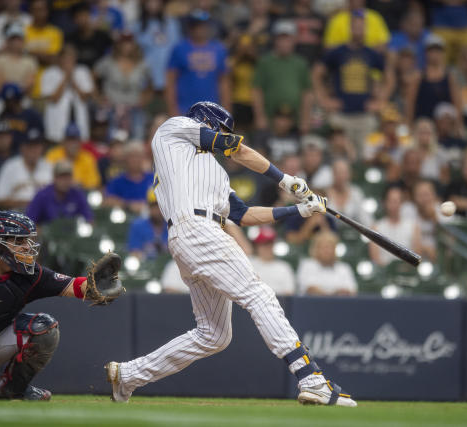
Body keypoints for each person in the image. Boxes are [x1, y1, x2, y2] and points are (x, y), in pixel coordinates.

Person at [104, 101, 357, 407]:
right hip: (195, 227)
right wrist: (286, 180)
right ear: (206, 121)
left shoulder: (214, 172)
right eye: (221, 129)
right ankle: (311, 378)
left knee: (214, 335)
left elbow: (244, 214)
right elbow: (235, 148)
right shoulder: (173, 129)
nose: (225, 136)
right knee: (258, 294)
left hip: (195, 234)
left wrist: (298, 209)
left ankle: (129, 375)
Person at [0, 210, 121, 400]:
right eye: (19, 241)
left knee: (46, 328)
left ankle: (12, 388)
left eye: (28, 241)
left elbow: (72, 285)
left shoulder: (32, 274)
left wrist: (94, 285)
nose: (27, 247)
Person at [313, 10, 389, 149]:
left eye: (361, 26)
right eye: (355, 26)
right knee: (339, 154)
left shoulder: (372, 54)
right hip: (341, 115)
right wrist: (324, 99)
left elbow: (389, 77)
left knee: (367, 156)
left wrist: (381, 100)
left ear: (366, 29)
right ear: (350, 28)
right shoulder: (337, 52)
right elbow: (316, 74)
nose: (358, 30)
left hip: (365, 116)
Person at [165, 9, 230, 117]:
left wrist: (226, 111)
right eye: (196, 25)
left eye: (203, 25)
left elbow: (224, 82)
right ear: (190, 27)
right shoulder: (179, 49)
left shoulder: (219, 49)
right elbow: (170, 81)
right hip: (185, 111)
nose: (200, 28)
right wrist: (173, 110)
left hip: (212, 112)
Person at [252, 20, 312, 134]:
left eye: (288, 38)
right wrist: (260, 117)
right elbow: (256, 91)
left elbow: (307, 93)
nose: (285, 42)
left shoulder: (300, 63)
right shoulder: (265, 62)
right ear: (275, 40)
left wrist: (305, 119)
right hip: (270, 120)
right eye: (281, 38)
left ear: (294, 40)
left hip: (295, 121)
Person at [94, 32, 150, 140]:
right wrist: (98, 97)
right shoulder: (108, 62)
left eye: (129, 42)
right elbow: (93, 77)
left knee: (136, 141)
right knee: (112, 142)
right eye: (123, 42)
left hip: (134, 109)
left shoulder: (141, 64)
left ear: (134, 45)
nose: (126, 46)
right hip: (112, 108)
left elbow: (151, 83)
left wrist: (145, 99)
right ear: (118, 45)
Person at [40, 44, 94, 142]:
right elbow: (53, 99)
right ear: (60, 59)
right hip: (57, 123)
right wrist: (65, 77)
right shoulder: (49, 73)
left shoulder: (83, 71)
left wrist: (72, 78)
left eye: (71, 58)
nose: (69, 61)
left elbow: (85, 97)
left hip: (78, 120)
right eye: (66, 58)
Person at [0, 127, 53, 211]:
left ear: (42, 148)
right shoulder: (10, 166)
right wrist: (30, 203)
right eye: (30, 146)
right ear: (22, 148)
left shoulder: (49, 166)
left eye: (36, 146)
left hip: (44, 217)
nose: (33, 150)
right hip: (16, 215)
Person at [407, 34, 461, 124]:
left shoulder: (450, 76)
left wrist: (458, 123)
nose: (435, 54)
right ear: (426, 53)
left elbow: (457, 102)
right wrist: (409, 123)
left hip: (445, 126)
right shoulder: (418, 76)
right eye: (432, 51)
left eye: (438, 51)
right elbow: (410, 103)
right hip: (424, 125)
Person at [132, 0, 182, 92]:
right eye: (149, 2)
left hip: (168, 75)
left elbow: (177, 49)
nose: (153, 5)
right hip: (147, 77)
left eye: (156, 2)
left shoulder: (171, 23)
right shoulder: (137, 25)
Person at [25, 161, 93, 226]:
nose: (65, 181)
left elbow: (89, 219)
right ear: (54, 178)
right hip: (47, 236)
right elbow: (29, 223)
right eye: (61, 177)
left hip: (72, 234)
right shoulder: (42, 196)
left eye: (68, 177)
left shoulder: (77, 194)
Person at [369, 185, 422, 266]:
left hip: (407, 272)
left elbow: (416, 257)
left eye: (397, 201)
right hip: (384, 272)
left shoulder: (413, 227)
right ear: (385, 202)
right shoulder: (376, 227)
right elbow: (375, 258)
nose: (394, 205)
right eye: (391, 201)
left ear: (402, 203)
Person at [296, 231, 357, 296]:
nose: (327, 251)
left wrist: (329, 295)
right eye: (324, 247)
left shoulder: (344, 268)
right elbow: (310, 289)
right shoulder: (307, 265)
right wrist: (334, 294)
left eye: (330, 247)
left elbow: (351, 291)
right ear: (316, 249)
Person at [45, 123, 102, 190]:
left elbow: (94, 184)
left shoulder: (88, 158)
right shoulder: (53, 155)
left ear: (80, 141)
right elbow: (47, 180)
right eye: (70, 140)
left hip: (81, 194)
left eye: (75, 140)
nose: (73, 144)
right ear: (63, 141)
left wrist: (78, 184)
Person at [103, 141, 154, 214]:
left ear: (143, 158)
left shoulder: (153, 179)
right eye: (132, 156)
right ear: (125, 159)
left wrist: (146, 206)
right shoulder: (117, 181)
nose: (135, 160)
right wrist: (129, 205)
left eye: (138, 156)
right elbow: (107, 201)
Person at [0, 22, 39, 96]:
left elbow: (29, 85)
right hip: (2, 97)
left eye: (18, 39)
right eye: (13, 39)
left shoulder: (31, 61)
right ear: (7, 41)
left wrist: (15, 91)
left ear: (23, 41)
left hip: (22, 99)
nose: (16, 42)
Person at [323, 0, 390, 51]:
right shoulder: (337, 19)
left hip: (370, 61)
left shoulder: (375, 17)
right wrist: (349, 49)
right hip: (342, 62)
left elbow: (384, 44)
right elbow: (328, 46)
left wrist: (364, 52)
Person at [249, 226, 295, 296]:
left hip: (279, 303)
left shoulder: (284, 267)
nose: (268, 247)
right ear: (256, 246)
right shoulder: (249, 263)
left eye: (270, 243)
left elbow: (289, 293)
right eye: (264, 244)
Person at [0, 83, 44, 149]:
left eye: (14, 101)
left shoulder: (33, 115)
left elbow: (40, 138)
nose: (11, 103)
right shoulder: (3, 116)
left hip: (28, 150)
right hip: (9, 152)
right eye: (8, 101)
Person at [66, 2, 113, 68]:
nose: (81, 20)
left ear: (89, 15)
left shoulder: (102, 36)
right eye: (78, 17)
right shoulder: (70, 39)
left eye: (83, 15)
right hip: (79, 74)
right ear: (73, 20)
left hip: (100, 73)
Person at [326, 157, 372, 225]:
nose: (341, 176)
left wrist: (372, 227)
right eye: (338, 172)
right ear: (333, 174)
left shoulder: (356, 193)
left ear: (349, 174)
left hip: (352, 233)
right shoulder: (323, 193)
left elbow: (365, 217)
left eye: (344, 172)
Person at [127, 188, 168, 260]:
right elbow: (133, 252)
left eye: (160, 206)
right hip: (145, 268)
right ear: (149, 207)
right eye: (154, 207)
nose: (158, 211)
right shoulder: (138, 225)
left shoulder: (171, 226)